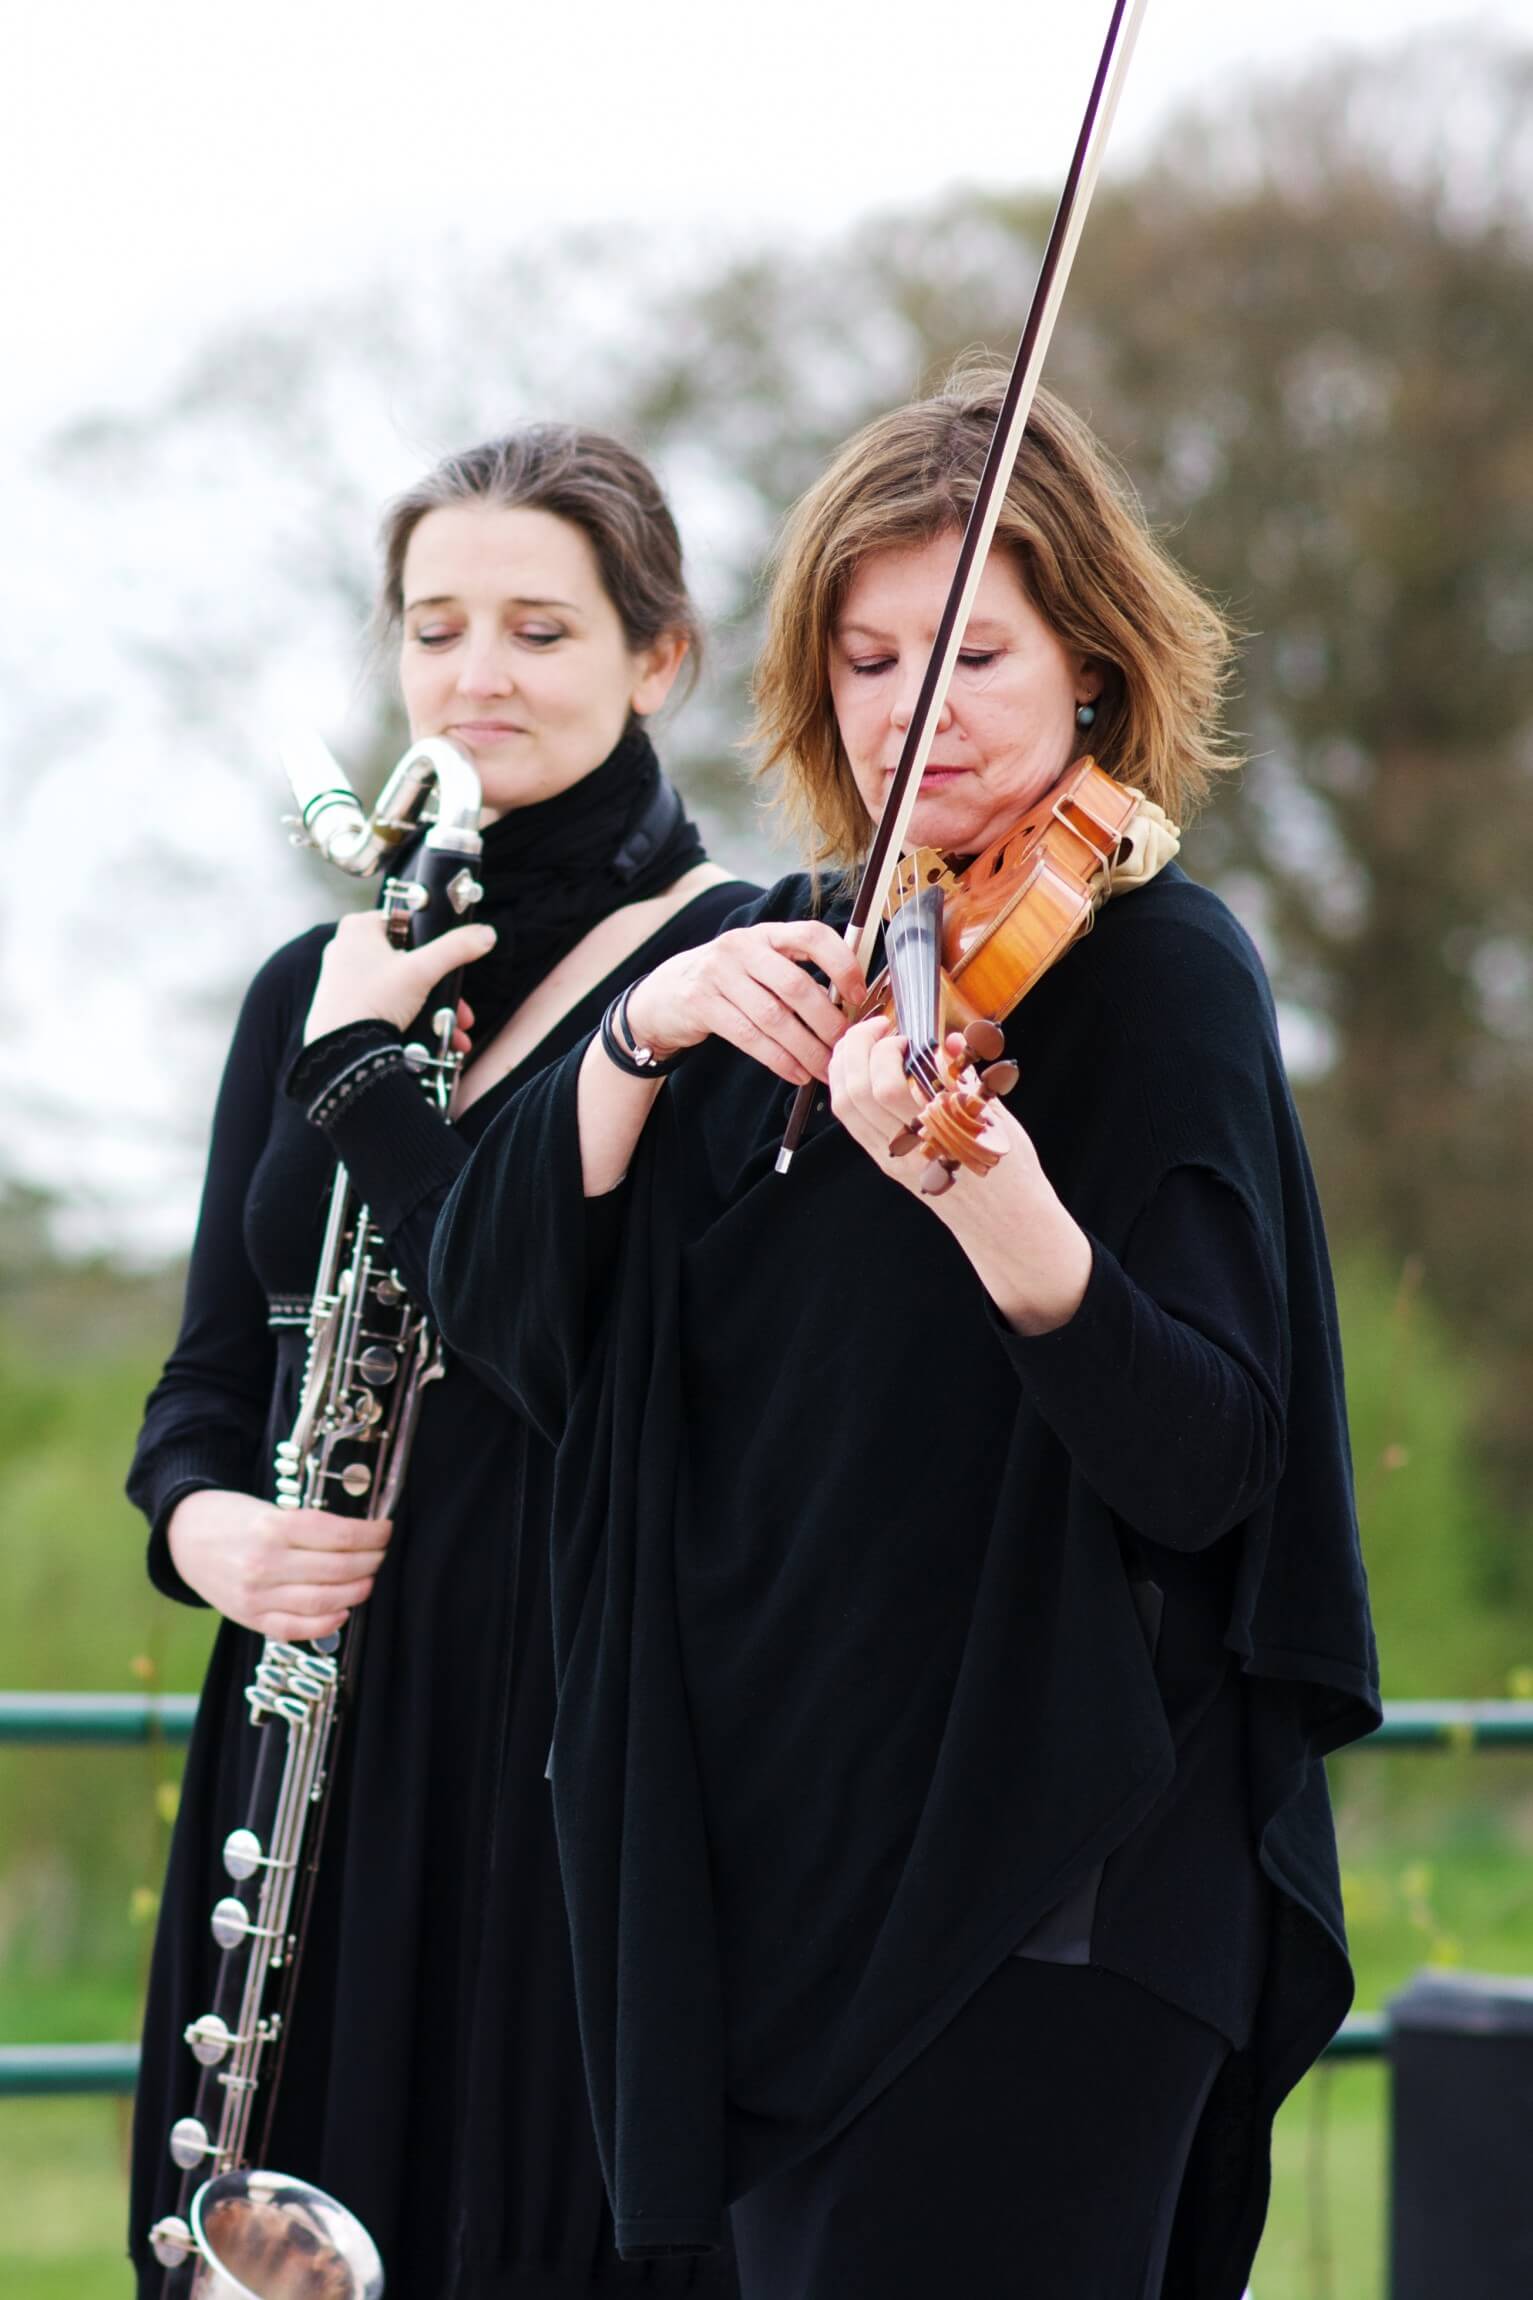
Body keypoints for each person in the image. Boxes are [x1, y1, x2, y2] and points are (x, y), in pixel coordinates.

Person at [428, 375, 1381, 2300]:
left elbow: (1209, 1462)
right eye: (866, 661)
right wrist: (638, 1031)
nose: (909, 710)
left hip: (1052, 1889)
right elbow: (499, 1302)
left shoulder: (1160, 971)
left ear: (1090, 669)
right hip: (775, 1893)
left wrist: (987, 1196)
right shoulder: (775, 966)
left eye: (971, 656)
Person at [126, 424, 755, 2298]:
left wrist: (387, 1095)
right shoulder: (309, 984)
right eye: (434, 625)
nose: (476, 674)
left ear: (658, 659)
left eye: (540, 630)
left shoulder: (731, 968)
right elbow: (202, 1385)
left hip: (571, 1740)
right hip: (310, 1707)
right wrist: (209, 1534)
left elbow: (647, 1376)